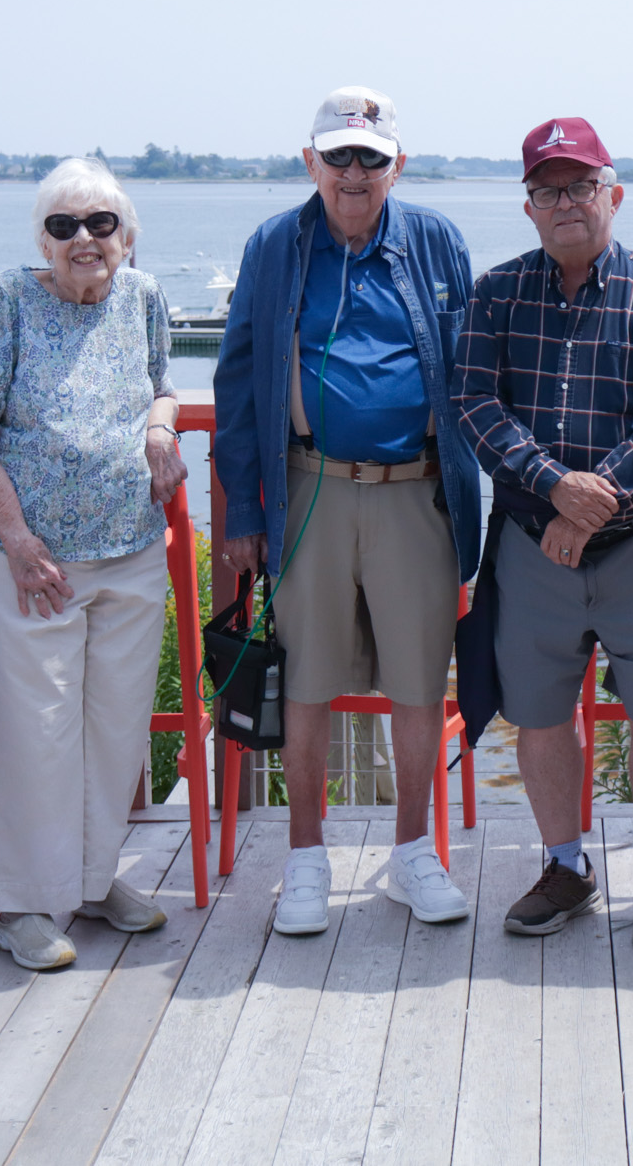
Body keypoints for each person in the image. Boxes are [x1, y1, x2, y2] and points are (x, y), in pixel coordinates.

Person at [212, 86, 479, 936]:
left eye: (371, 156)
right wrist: (243, 513)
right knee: (309, 681)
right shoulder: (273, 244)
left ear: (398, 163)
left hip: (416, 493)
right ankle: (304, 859)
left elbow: (471, 374)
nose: (355, 173)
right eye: (339, 156)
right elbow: (234, 382)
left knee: (416, 680)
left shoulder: (437, 240)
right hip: (309, 489)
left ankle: (410, 853)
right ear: (310, 162)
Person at [454, 117, 633, 949]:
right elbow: (476, 404)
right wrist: (554, 489)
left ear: (614, 195)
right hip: (535, 544)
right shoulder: (495, 293)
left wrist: (589, 503)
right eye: (548, 189)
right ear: (528, 207)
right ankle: (566, 864)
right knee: (538, 714)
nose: (566, 202)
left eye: (581, 186)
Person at [0, 158, 186, 971]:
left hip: (129, 545)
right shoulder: (6, 300)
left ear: (126, 235)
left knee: (114, 728)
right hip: (27, 559)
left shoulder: (143, 295)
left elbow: (164, 385)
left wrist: (161, 429)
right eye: (63, 226)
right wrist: (17, 539)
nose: (84, 240)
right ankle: (20, 903)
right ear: (41, 240)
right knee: (29, 733)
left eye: (100, 224)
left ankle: (90, 881)